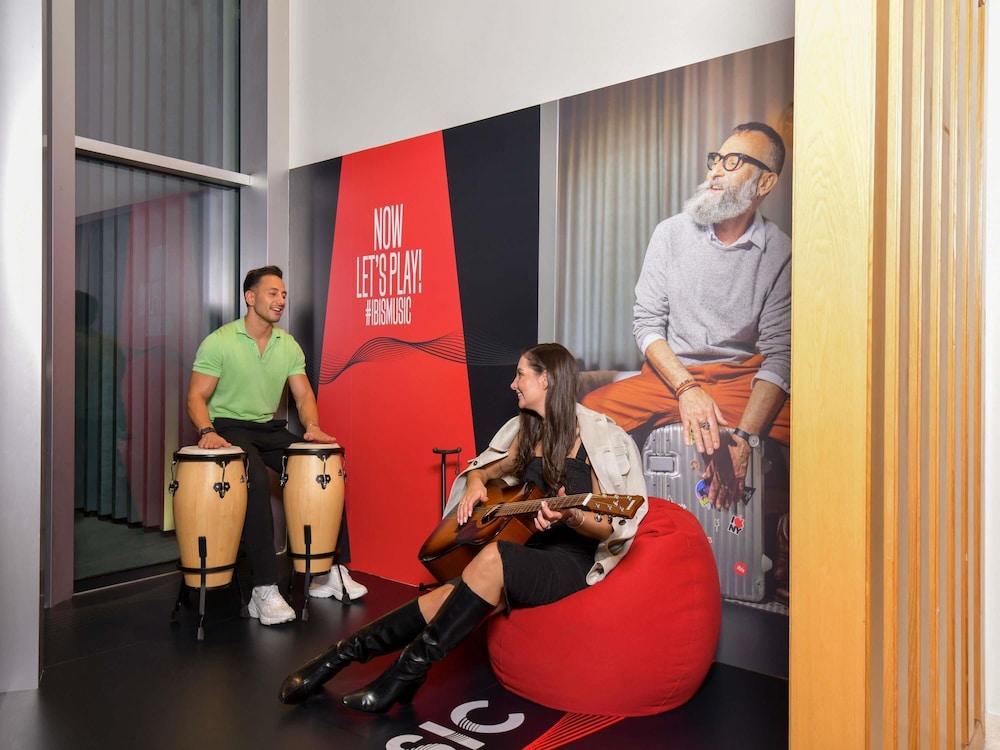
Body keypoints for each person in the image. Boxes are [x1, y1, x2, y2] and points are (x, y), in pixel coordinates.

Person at [278, 343, 648, 713]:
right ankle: (333, 659)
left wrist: (571, 516)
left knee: (493, 557)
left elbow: (607, 527)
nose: (513, 384)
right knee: (438, 600)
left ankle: (405, 673)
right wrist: (474, 483)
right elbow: (485, 469)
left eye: (521, 374)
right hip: (526, 553)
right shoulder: (530, 434)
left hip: (569, 562)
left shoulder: (595, 441)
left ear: (546, 380)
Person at [582, 121, 791, 515]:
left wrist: (745, 440)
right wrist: (687, 389)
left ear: (765, 182)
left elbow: (781, 355)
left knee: (823, 433)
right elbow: (646, 323)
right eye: (716, 160)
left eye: (733, 162)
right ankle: (613, 524)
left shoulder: (782, 252)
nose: (715, 171)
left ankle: (784, 538)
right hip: (669, 378)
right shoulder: (670, 233)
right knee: (589, 415)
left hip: (739, 379)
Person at [186, 265, 367, 626]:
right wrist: (207, 430)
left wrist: (312, 427)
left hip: (268, 427)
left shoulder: (287, 345)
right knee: (254, 481)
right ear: (250, 297)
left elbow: (303, 395)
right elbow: (196, 396)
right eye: (272, 293)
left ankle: (326, 572)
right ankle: (263, 589)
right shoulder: (220, 341)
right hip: (228, 427)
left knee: (321, 463)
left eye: (283, 294)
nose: (281, 300)